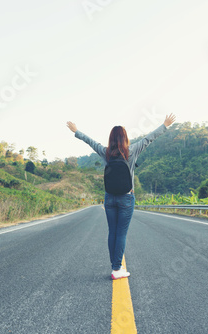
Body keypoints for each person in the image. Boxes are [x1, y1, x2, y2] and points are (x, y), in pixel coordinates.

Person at [67, 114, 176, 280]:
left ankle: (115, 266)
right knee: (121, 234)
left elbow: (91, 142)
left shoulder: (106, 152)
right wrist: (165, 125)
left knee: (113, 232)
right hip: (126, 198)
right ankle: (117, 269)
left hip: (109, 198)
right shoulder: (131, 151)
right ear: (125, 138)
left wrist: (76, 131)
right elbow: (148, 139)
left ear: (110, 138)